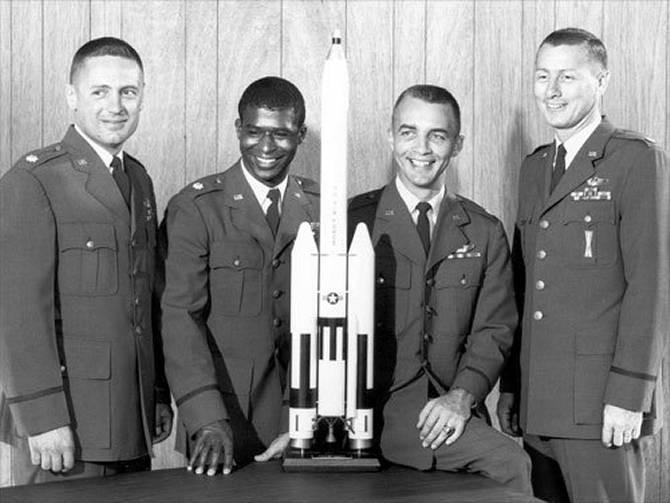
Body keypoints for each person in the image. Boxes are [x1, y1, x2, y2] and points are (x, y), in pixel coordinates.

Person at [497, 28, 668, 503]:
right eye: (542, 76)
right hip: (539, 400)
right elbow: (525, 285)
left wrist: (630, 395)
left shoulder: (635, 159)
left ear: (601, 81)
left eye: (567, 77)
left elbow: (650, 285)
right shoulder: (535, 168)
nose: (551, 90)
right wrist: (512, 386)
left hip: (601, 404)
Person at [0, 37, 173, 485]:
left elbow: (144, 303)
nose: (115, 106)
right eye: (100, 92)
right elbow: (18, 313)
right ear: (72, 96)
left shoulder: (138, 178)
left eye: (128, 93)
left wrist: (155, 395)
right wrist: (41, 417)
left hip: (129, 419)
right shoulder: (34, 180)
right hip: (66, 426)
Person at [347, 85, 532, 494]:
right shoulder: (354, 222)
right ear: (390, 136)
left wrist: (462, 396)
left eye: (438, 135)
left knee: (512, 466)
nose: (422, 149)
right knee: (510, 463)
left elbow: (494, 329)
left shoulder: (482, 230)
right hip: (376, 412)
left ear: (458, 144)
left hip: (454, 404)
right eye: (409, 132)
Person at [160, 76, 319, 477]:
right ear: (238, 129)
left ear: (300, 135)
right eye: (254, 132)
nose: (266, 147)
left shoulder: (324, 207)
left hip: (304, 415)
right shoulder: (197, 208)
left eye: (281, 134)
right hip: (224, 420)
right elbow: (181, 318)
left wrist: (314, 415)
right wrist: (205, 417)